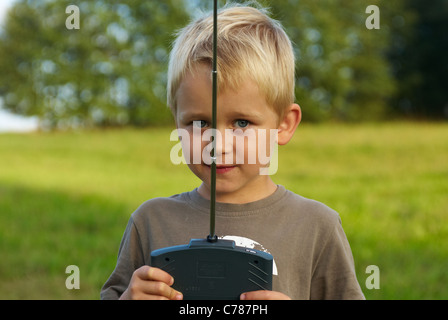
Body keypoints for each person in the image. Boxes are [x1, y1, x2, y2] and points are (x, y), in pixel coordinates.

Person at [101, 3, 364, 300]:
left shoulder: (318, 227)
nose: (219, 146)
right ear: (176, 120)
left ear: (284, 125)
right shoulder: (150, 221)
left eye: (241, 122)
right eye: (199, 123)